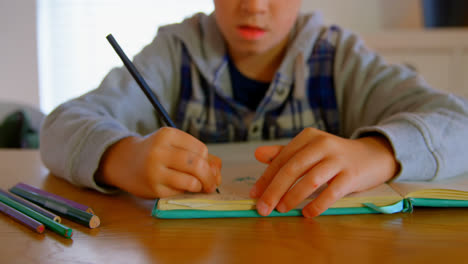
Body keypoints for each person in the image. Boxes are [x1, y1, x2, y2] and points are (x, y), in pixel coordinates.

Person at [40, 0, 468, 218]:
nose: (254, 5)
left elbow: (459, 122)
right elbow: (60, 126)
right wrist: (122, 157)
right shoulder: (173, 53)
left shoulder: (340, 57)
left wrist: (378, 153)